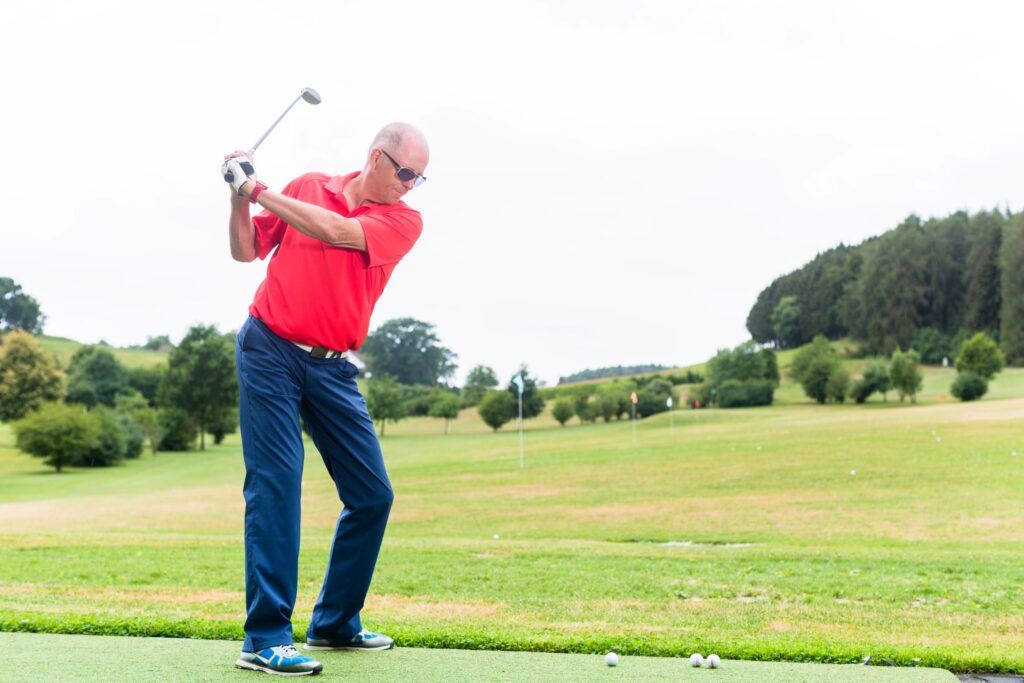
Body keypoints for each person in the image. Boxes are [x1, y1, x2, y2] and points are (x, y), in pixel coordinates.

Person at [221, 122, 429, 676]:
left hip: (333, 367)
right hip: (269, 350)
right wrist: (238, 198)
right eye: (405, 172)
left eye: (419, 177)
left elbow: (338, 231)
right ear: (376, 157)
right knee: (277, 483)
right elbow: (246, 251)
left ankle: (336, 620)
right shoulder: (309, 185)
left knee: (372, 494)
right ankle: (264, 637)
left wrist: (258, 190)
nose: (410, 185)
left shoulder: (403, 220)